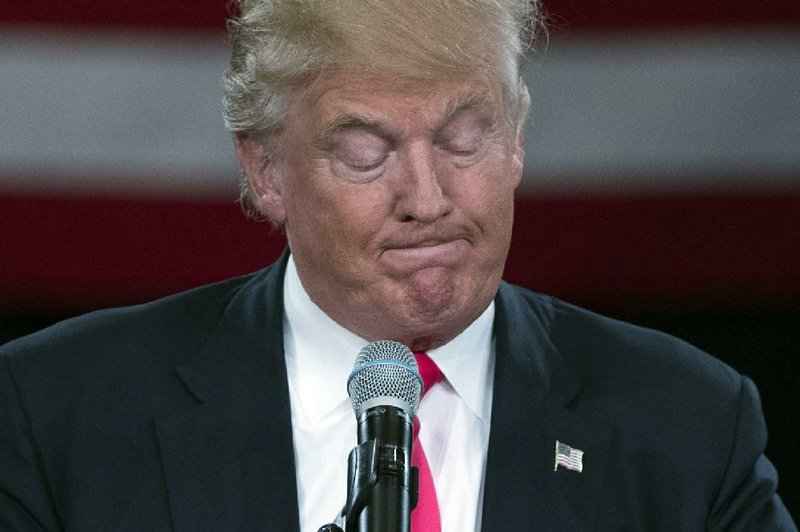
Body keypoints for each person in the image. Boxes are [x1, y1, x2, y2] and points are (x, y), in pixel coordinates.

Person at [0, 0, 795, 530]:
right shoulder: (56, 413)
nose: (428, 198)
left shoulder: (689, 423)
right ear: (266, 172)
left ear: (516, 143)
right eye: (365, 152)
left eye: (463, 140)